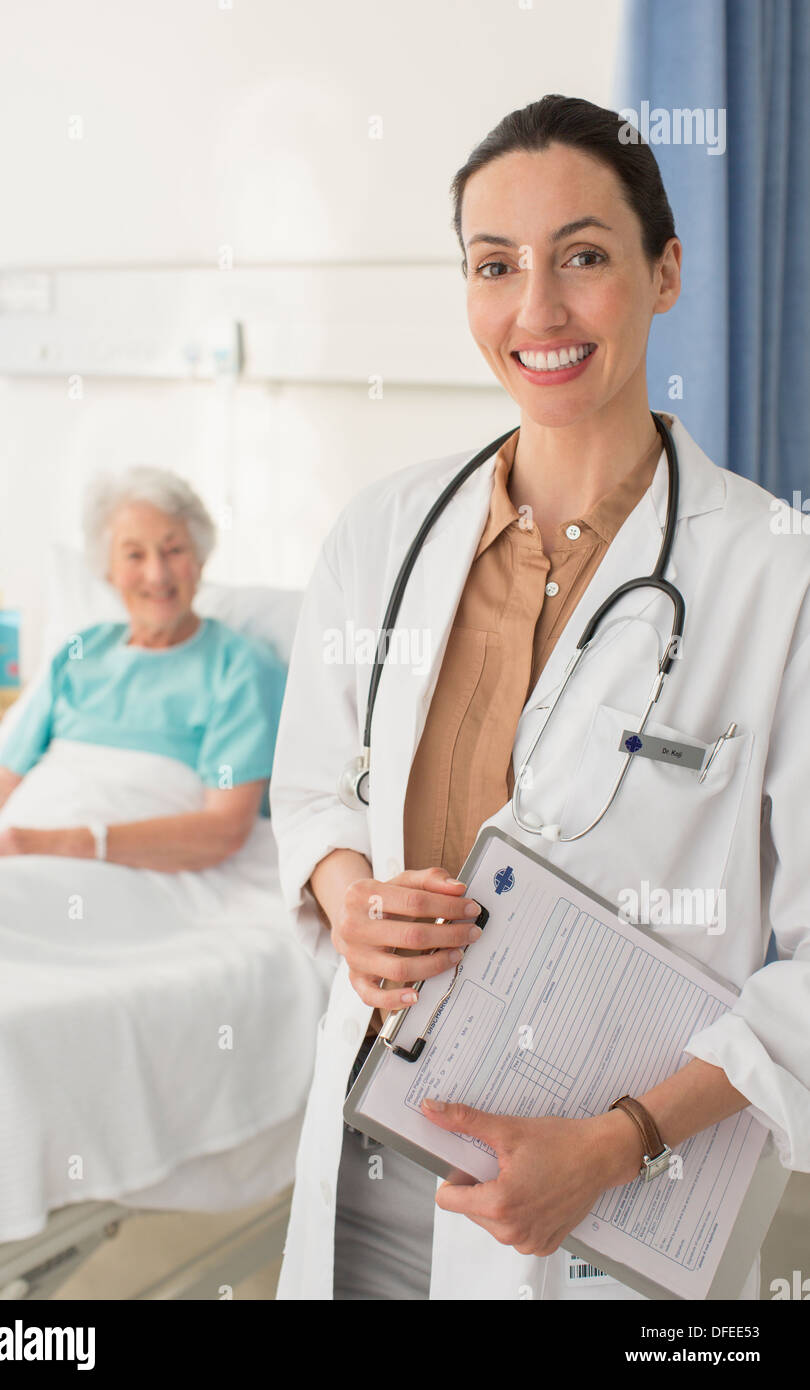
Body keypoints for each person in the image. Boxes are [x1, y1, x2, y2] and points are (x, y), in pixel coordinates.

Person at [269, 94, 810, 1300]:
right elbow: (310, 789)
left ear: (662, 272)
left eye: (582, 257)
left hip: (614, 1181)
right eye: (493, 265)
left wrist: (616, 1141)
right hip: (372, 1131)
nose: (536, 311)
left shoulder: (778, 574)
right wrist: (350, 897)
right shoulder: (385, 534)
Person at [0, 466, 286, 869]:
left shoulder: (241, 668)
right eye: (134, 554)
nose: (156, 574)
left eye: (174, 550)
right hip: (11, 850)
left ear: (199, 558)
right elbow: (5, 780)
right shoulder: (81, 651)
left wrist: (48, 843)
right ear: (108, 570)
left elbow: (224, 830)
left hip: (120, 869)